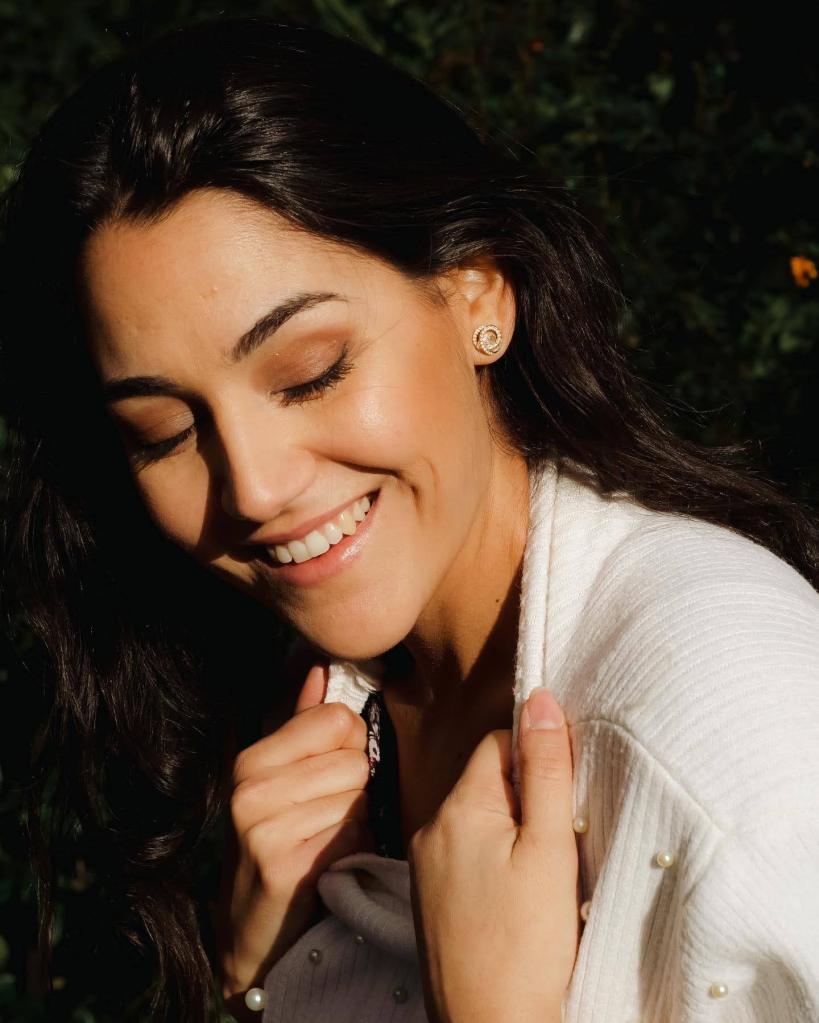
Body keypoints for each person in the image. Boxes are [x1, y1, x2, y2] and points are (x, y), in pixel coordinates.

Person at [1, 15, 817, 1023]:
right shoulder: (298, 714)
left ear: (478, 292)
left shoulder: (729, 735)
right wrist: (260, 974)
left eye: (311, 372)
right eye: (164, 432)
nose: (252, 487)